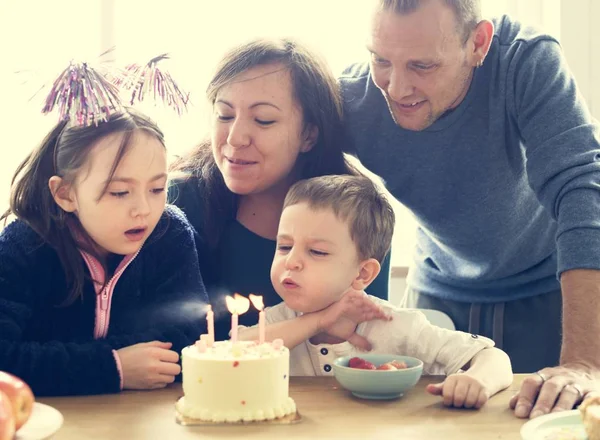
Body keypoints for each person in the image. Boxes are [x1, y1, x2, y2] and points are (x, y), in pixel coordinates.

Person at [338, 0, 600, 417]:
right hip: (437, 295)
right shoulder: (354, 97)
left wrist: (586, 362)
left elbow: (581, 190)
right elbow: (281, 149)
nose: (396, 87)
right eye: (381, 59)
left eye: (422, 66)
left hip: (550, 291)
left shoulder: (525, 60)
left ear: (478, 43)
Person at [169, 38, 391, 342]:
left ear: (309, 135)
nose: (235, 138)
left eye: (263, 120)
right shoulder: (179, 201)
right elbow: (174, 343)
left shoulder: (357, 209)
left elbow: (367, 339)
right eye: (224, 115)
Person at [239, 175, 513, 408]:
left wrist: (478, 381)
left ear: (362, 274)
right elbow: (227, 355)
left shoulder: (396, 326)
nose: (291, 261)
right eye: (285, 246)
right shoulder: (277, 323)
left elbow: (494, 358)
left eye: (317, 251)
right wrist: (318, 321)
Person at [0, 102, 209, 396]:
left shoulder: (169, 232)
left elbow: (193, 337)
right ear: (65, 194)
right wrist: (112, 366)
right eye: (120, 192)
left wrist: (59, 359)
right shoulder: (24, 245)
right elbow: (5, 359)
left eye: (157, 189)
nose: (144, 210)